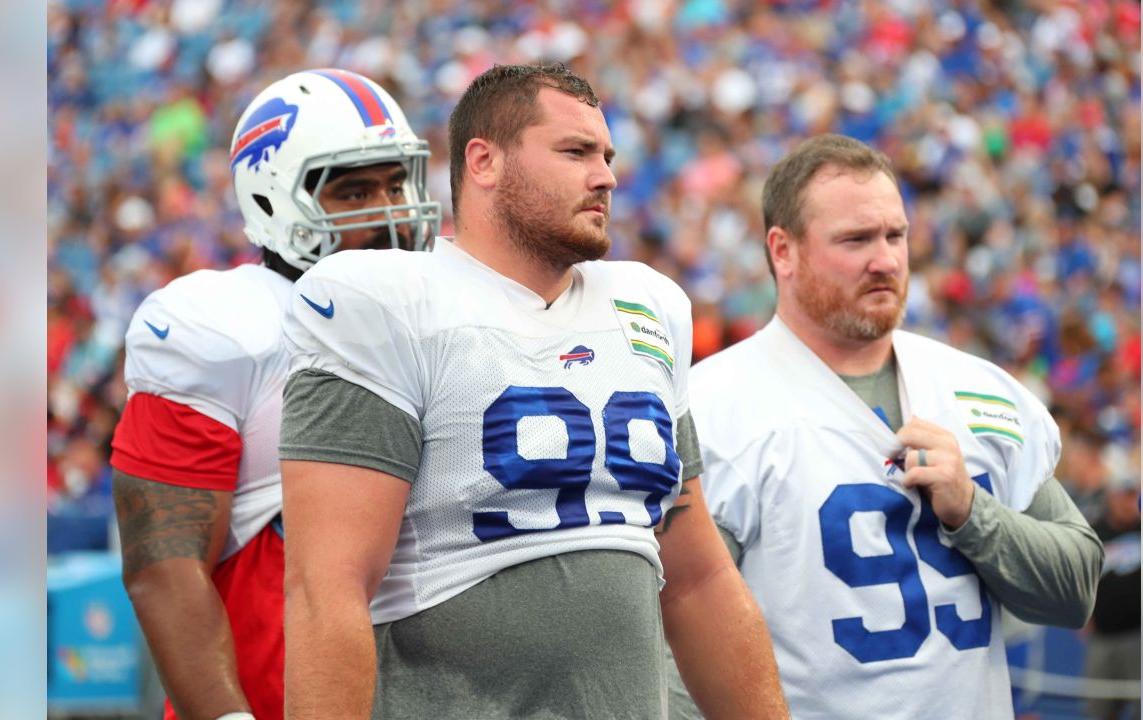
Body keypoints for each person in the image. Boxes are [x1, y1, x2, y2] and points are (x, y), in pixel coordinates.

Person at [279, 63, 788, 719]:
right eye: (575, 152)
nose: (605, 175)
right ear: (484, 162)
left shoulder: (649, 306)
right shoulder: (383, 301)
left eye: (606, 155)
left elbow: (698, 581)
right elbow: (328, 588)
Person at [674, 134, 1104, 719]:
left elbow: (1075, 590)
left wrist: (970, 511)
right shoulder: (712, 408)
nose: (886, 260)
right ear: (784, 251)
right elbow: (678, 645)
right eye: (855, 240)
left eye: (895, 235)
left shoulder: (976, 389)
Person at [109, 68, 440, 720]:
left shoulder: (450, 310)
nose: (392, 209)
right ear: (273, 202)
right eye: (354, 191)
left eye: (396, 182)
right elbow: (163, 565)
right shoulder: (222, 331)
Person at [1083, 444, 1141, 720]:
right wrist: (1085, 614)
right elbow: (1082, 577)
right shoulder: (1095, 533)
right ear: (1111, 496)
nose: (1127, 502)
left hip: (1142, 638)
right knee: (1099, 710)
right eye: (1122, 495)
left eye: (1133, 495)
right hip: (1103, 638)